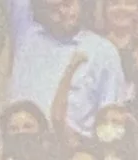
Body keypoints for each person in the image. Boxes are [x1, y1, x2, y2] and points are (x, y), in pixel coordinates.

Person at [7, 0, 127, 138]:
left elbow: (112, 117)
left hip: (76, 149)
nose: (63, 12)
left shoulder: (102, 51)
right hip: (23, 142)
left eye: (67, 5)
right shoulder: (27, 40)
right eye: (54, 9)